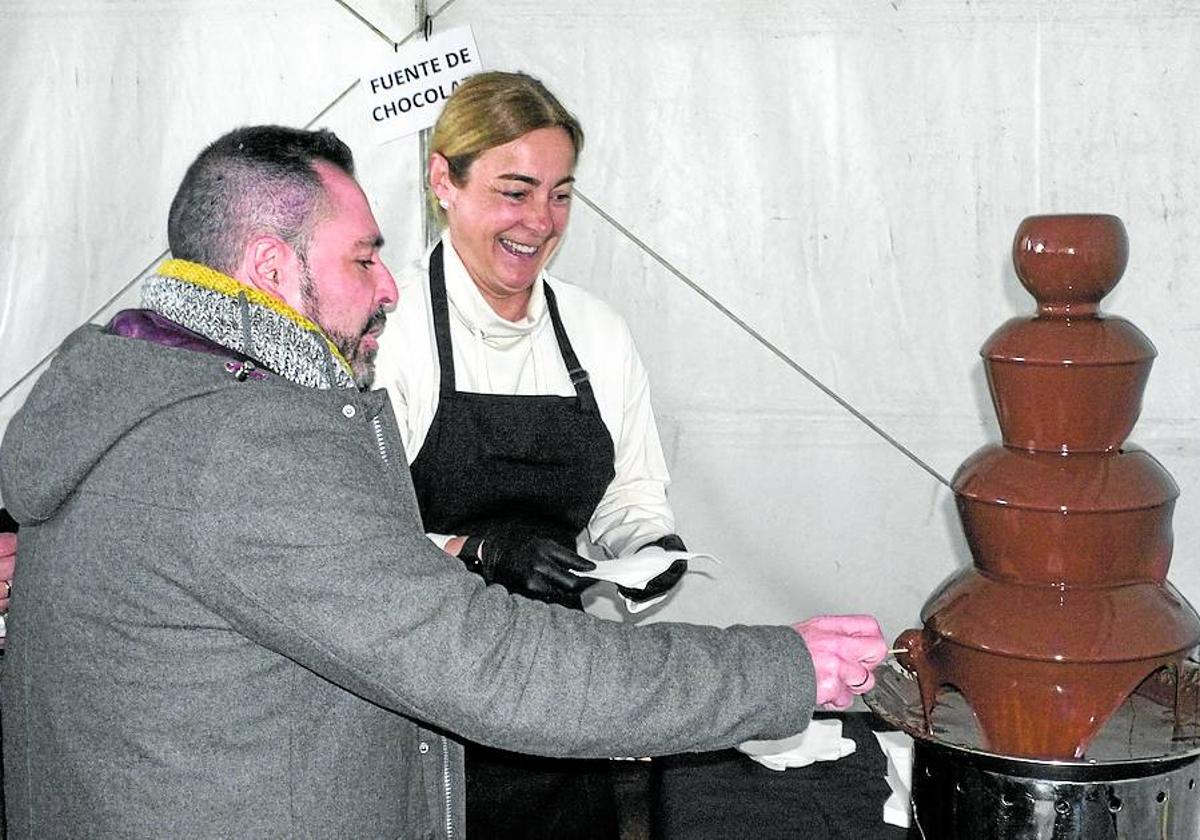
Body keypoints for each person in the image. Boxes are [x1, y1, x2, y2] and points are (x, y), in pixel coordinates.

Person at [0, 124, 884, 839]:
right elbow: (485, 662)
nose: (385, 285)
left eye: (560, 193)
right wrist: (775, 669)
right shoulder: (242, 445)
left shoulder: (164, 386)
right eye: (361, 259)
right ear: (271, 269)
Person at [376, 70, 695, 837]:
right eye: (515, 191)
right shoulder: (392, 332)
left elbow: (629, 491)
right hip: (415, 697)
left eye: (560, 193)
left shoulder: (597, 330)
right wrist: (478, 551)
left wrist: (648, 547)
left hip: (557, 691)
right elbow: (351, 540)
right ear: (442, 180)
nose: (541, 221)